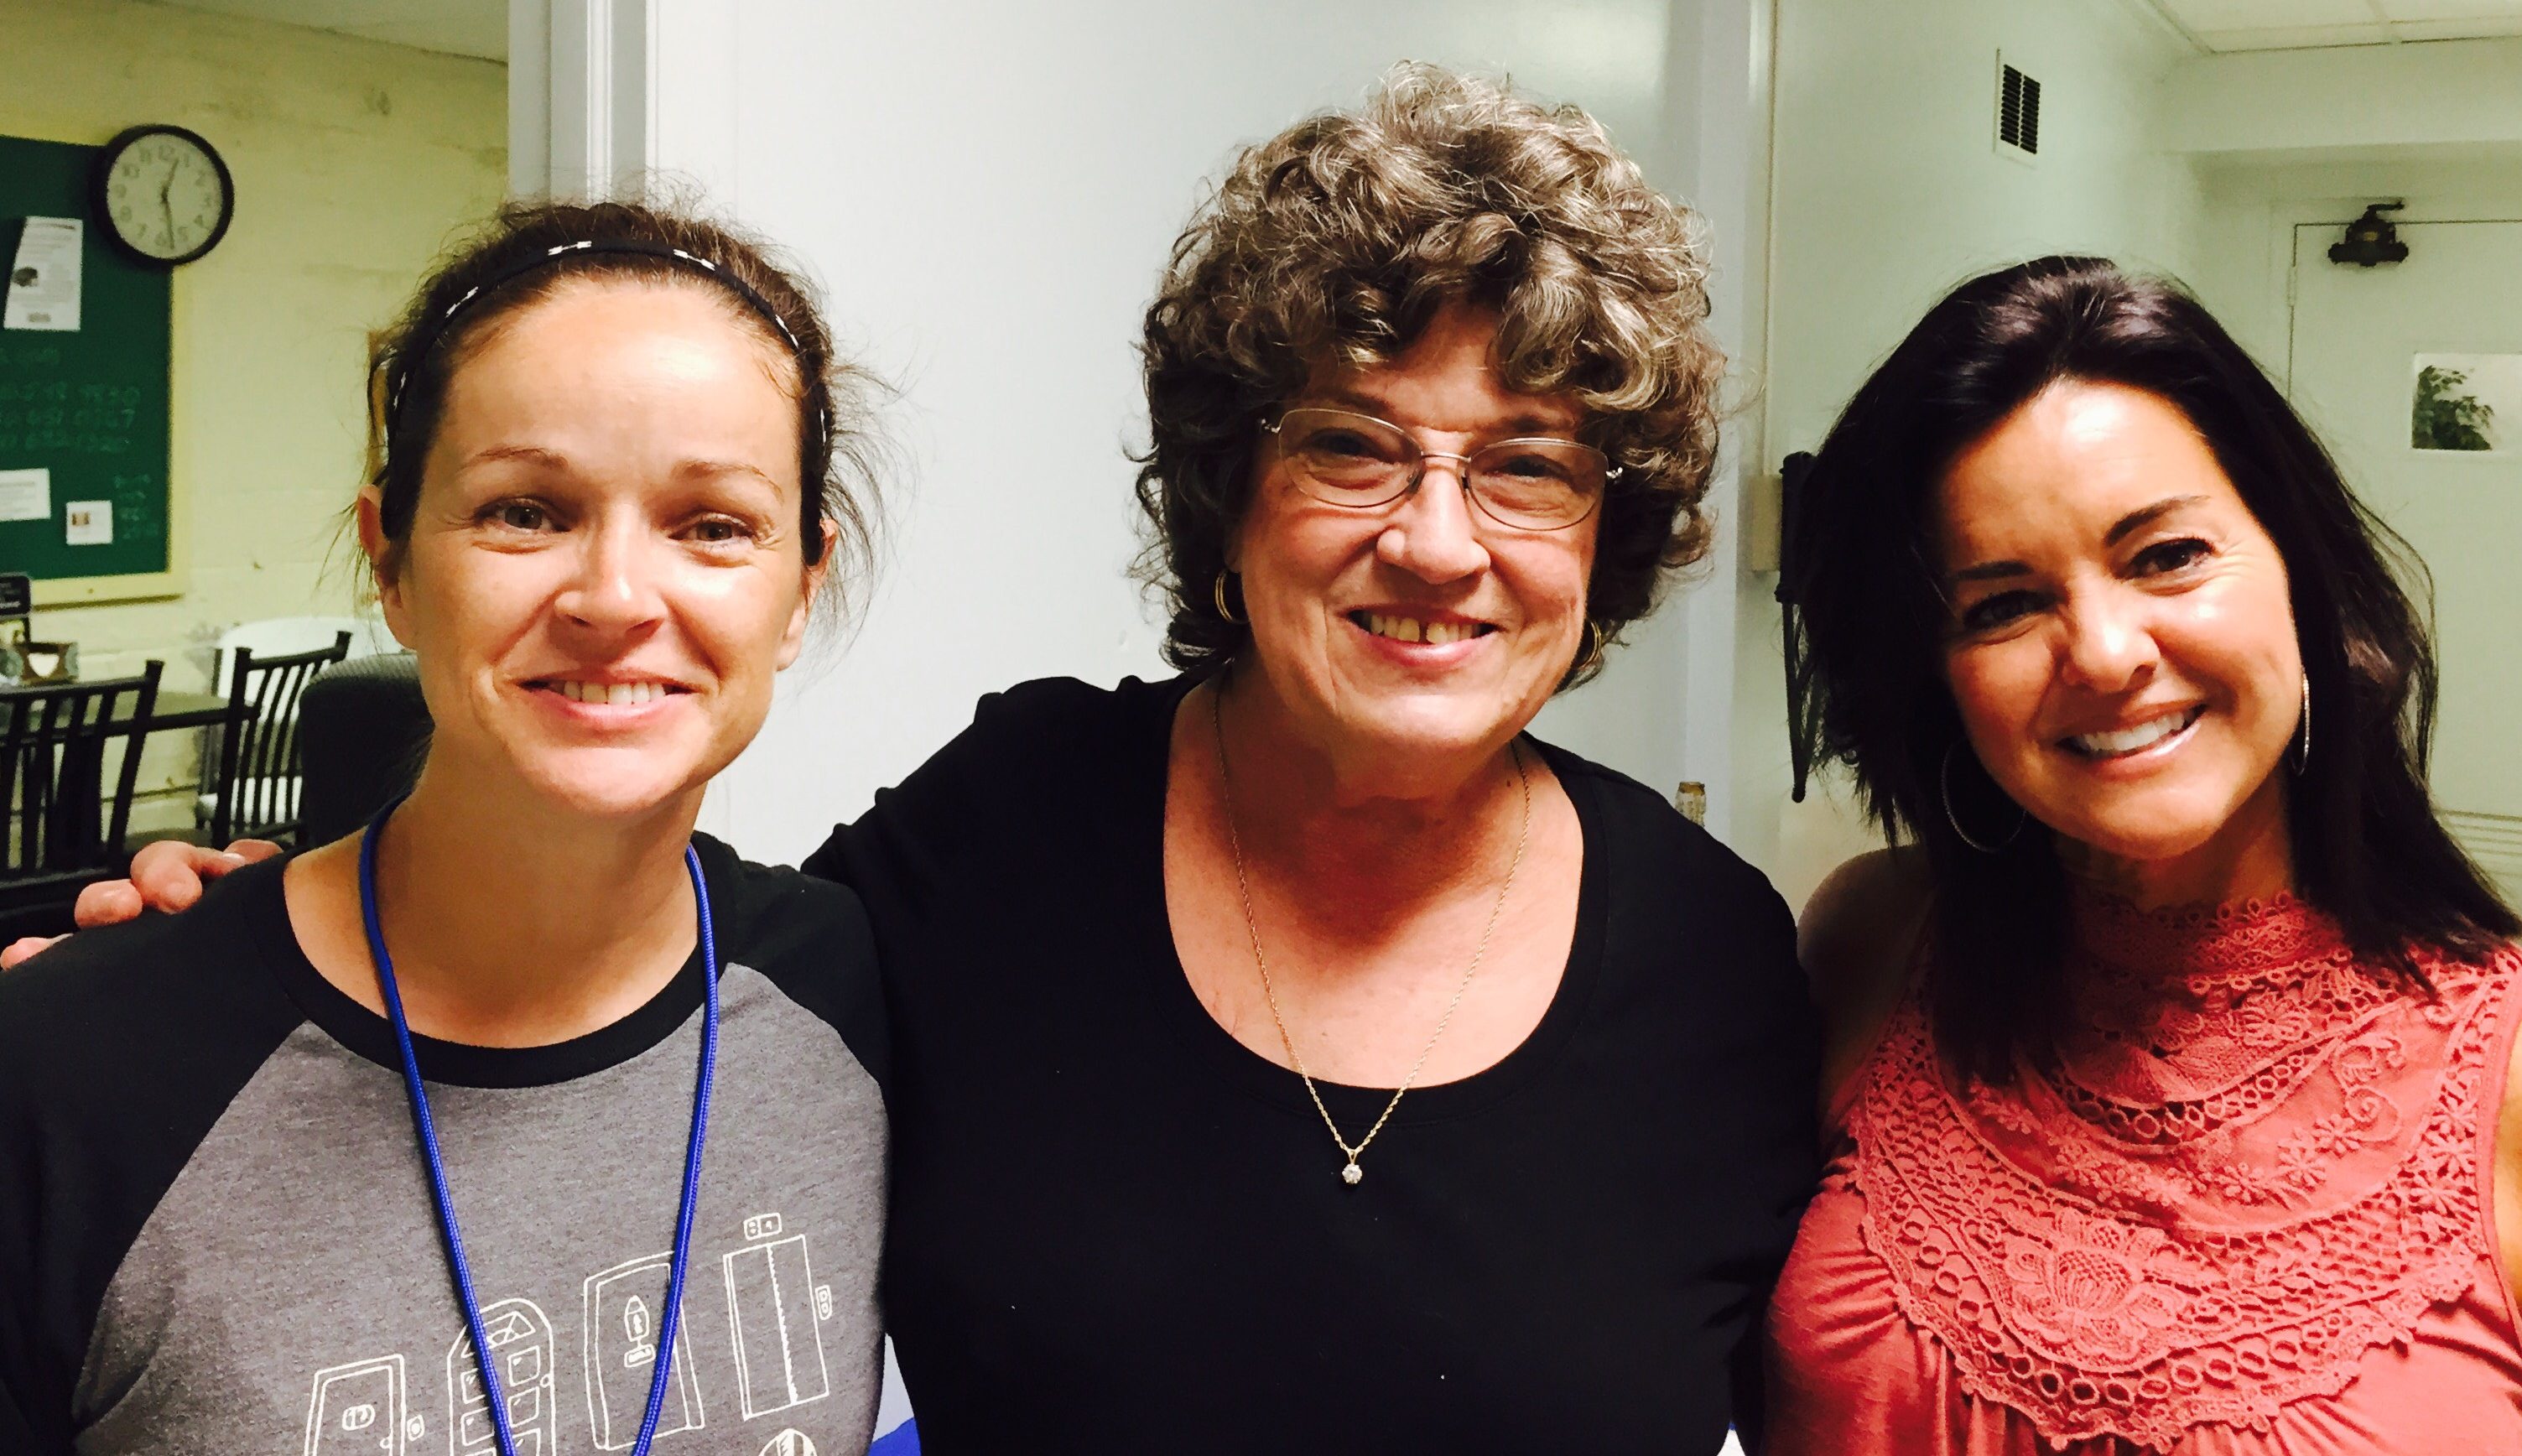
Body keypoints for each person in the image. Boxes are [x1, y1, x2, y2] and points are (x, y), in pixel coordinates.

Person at [23, 67, 1818, 1452]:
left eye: (1526, 466)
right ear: (1231, 496)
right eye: (1351, 446)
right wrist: (219, 955)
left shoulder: (1721, 964)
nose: (1435, 541)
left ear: (1611, 528)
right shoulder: (1004, 840)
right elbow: (583, 934)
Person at [0, 201, 892, 1454]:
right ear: (393, 564)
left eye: (714, 526)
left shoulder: (862, 989)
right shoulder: (67, 1067)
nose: (615, 599)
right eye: (525, 510)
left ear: (800, 589)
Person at [1762, 256, 2522, 1452]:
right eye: (2004, 604)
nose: (2107, 653)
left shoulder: (2507, 1066)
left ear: (2302, 579)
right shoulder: (1870, 942)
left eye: (2166, 556)